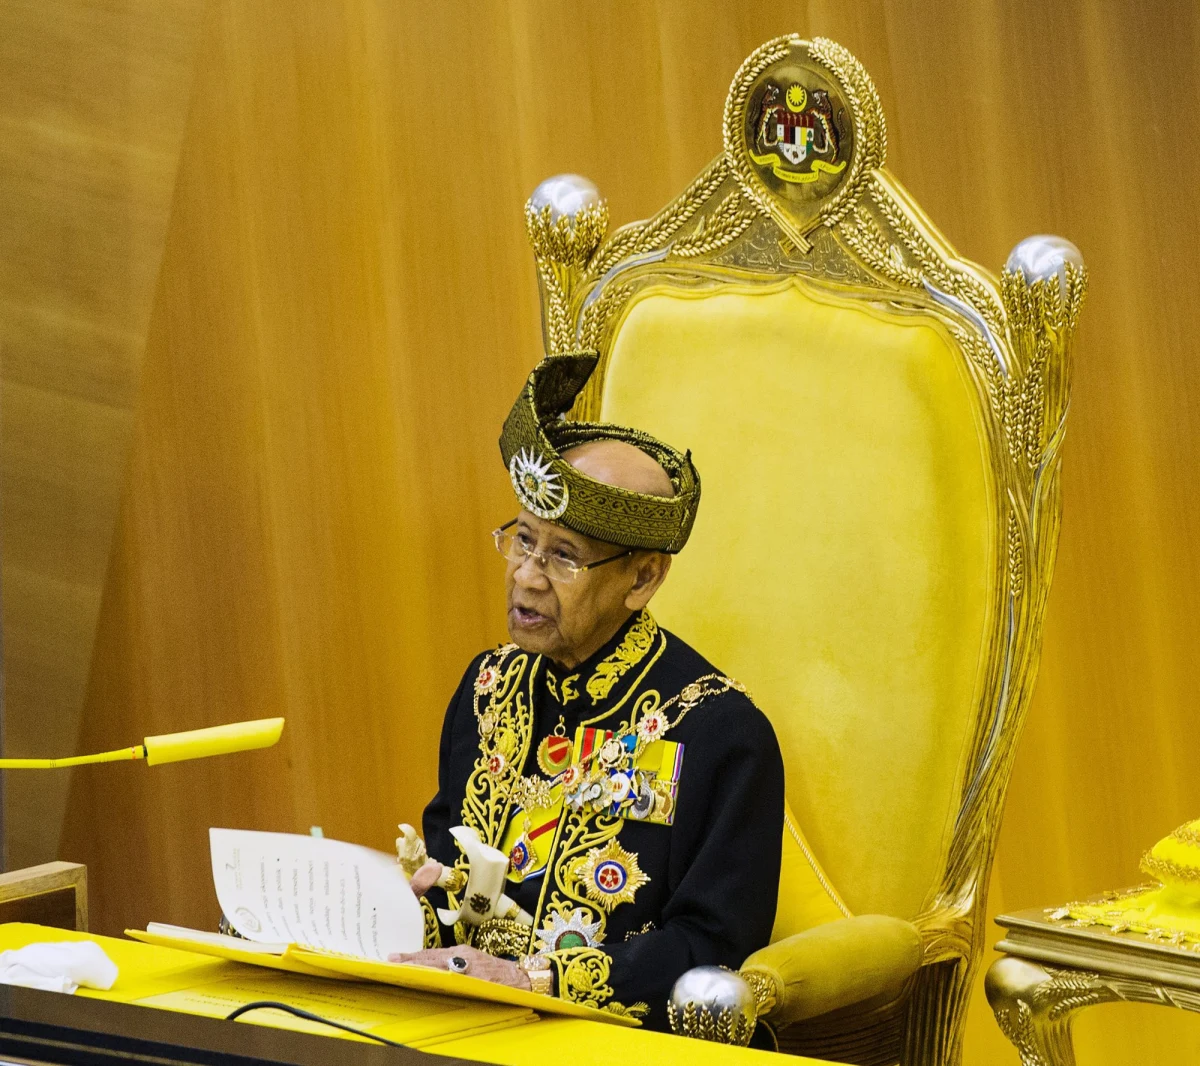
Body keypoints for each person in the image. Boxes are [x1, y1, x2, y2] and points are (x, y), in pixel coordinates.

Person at [392, 352, 784, 1029]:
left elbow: (713, 947)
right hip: (460, 1023)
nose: (526, 576)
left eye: (563, 557)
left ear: (642, 579)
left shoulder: (721, 733)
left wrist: (537, 981)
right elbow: (447, 869)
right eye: (522, 541)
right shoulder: (488, 687)